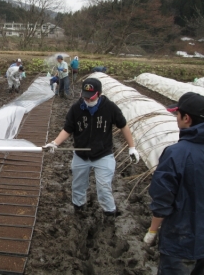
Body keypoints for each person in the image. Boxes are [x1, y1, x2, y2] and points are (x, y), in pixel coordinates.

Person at [144, 92, 204, 275]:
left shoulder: (175, 154)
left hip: (180, 242)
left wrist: (153, 230)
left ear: (186, 118)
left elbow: (162, 201)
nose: (176, 118)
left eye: (177, 114)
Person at [44, 78, 139, 219]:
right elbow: (67, 129)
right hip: (81, 154)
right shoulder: (76, 108)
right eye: (85, 97)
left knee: (103, 187)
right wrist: (55, 143)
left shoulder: (110, 108)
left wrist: (132, 147)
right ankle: (79, 210)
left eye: (91, 97)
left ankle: (109, 214)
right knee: (78, 186)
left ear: (99, 94)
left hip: (103, 155)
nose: (88, 100)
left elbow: (123, 125)